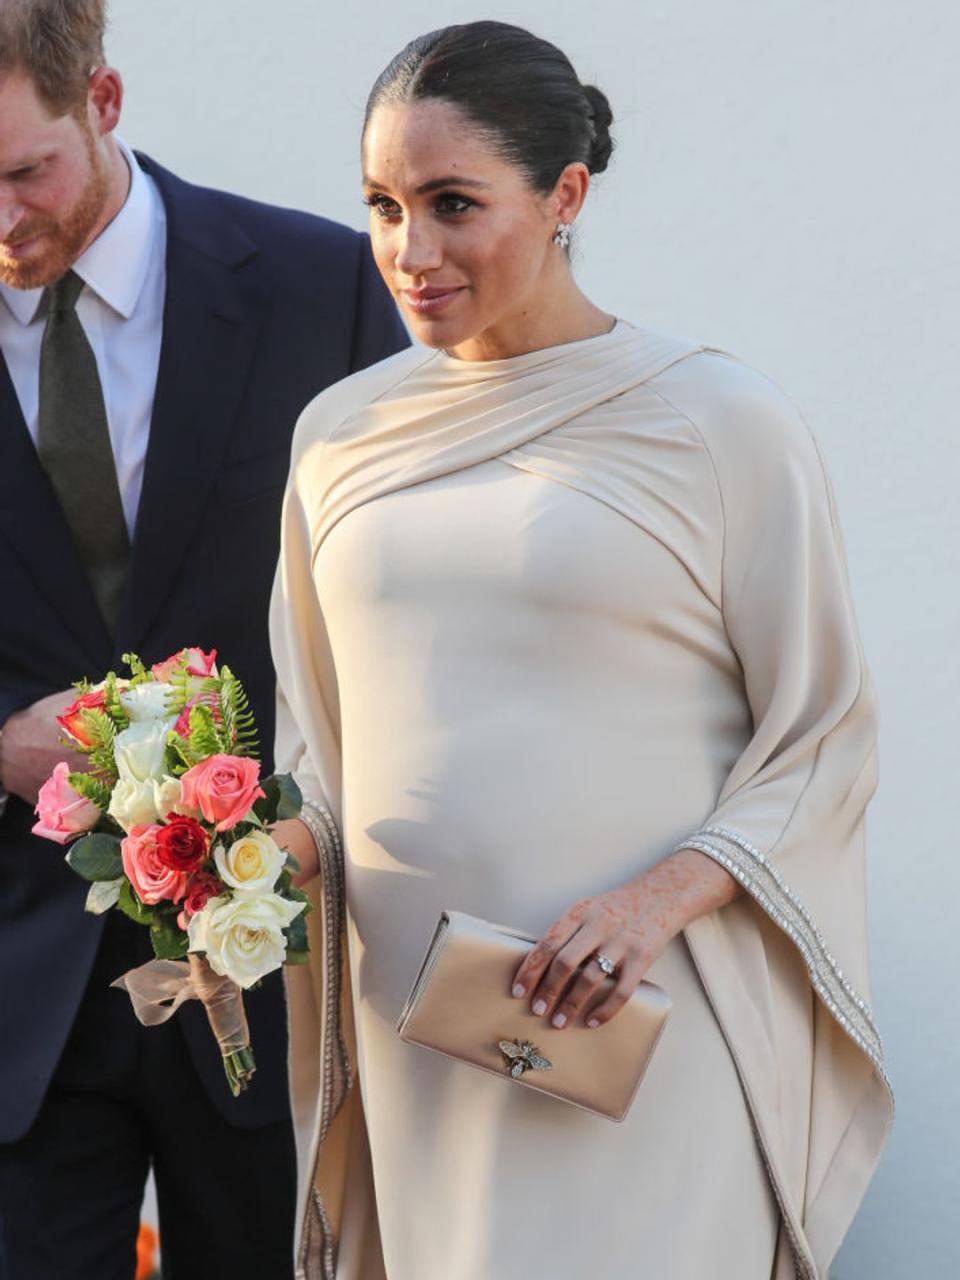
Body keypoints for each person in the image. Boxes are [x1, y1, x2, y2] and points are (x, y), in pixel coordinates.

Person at [270, 20, 892, 1280]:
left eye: (453, 204)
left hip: (639, 1024)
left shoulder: (719, 420)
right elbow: (321, 750)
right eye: (384, 206)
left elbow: (824, 733)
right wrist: (243, 857)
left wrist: (651, 902)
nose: (411, 252)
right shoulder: (337, 437)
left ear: (566, 195)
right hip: (418, 1031)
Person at [0, 2, 408, 1277]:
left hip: (271, 965)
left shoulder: (319, 282)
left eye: (24, 172)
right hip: (16, 985)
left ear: (104, 102)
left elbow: (407, 598)